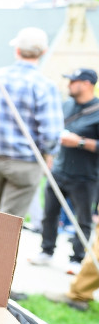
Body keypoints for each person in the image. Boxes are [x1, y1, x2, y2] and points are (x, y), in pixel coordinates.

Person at [0, 27, 63, 218]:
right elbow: (51, 133)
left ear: (17, 50)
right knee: (8, 223)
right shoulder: (44, 86)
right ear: (43, 52)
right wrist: (49, 154)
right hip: (25, 163)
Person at [27, 68, 99, 275]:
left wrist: (81, 142)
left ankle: (76, 258)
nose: (68, 85)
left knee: (82, 219)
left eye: (73, 81)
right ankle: (46, 250)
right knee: (50, 213)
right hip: (59, 170)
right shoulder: (66, 105)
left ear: (86, 84)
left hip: (85, 176)